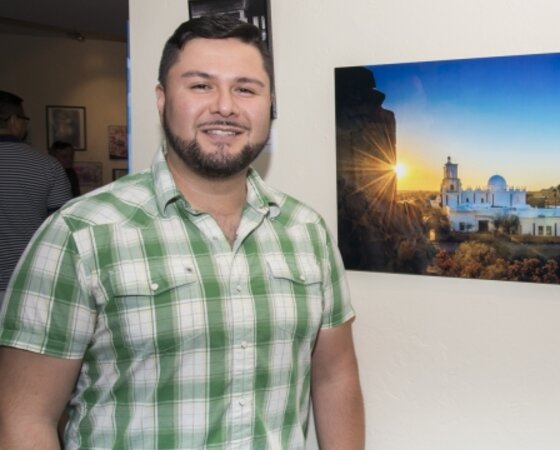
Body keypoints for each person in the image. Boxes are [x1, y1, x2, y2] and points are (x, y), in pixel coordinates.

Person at [0, 16, 364, 450]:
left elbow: (334, 378)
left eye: (246, 89)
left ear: (269, 105)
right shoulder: (81, 233)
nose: (225, 106)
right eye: (200, 86)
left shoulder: (308, 232)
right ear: (161, 99)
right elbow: (24, 418)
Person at [0, 90, 72, 308]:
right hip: (26, 281)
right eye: (24, 120)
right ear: (14, 121)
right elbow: (64, 228)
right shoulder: (47, 166)